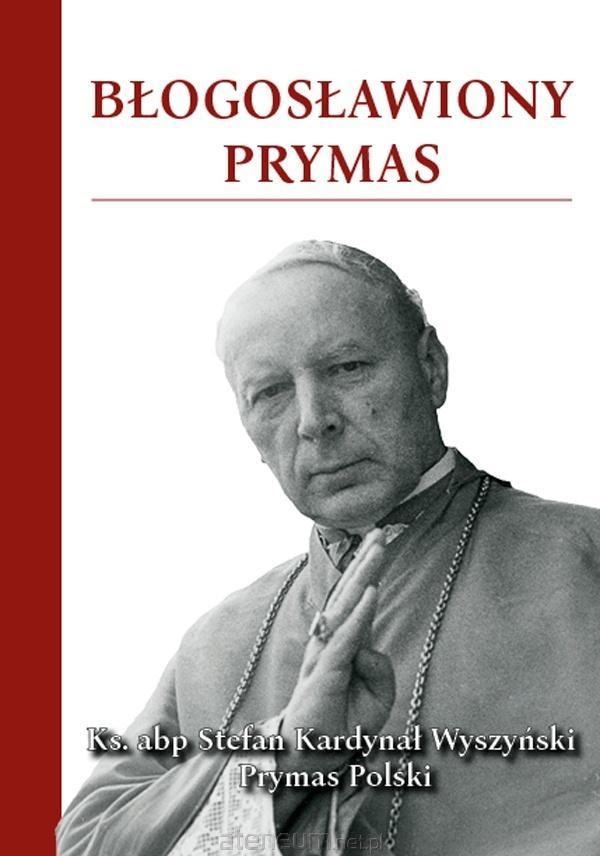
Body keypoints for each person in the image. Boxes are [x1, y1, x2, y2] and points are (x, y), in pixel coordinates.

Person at [58, 241, 600, 856]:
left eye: (347, 367)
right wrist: (286, 753)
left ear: (432, 367)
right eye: (271, 392)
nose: (314, 419)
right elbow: (89, 842)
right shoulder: (218, 641)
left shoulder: (585, 559)